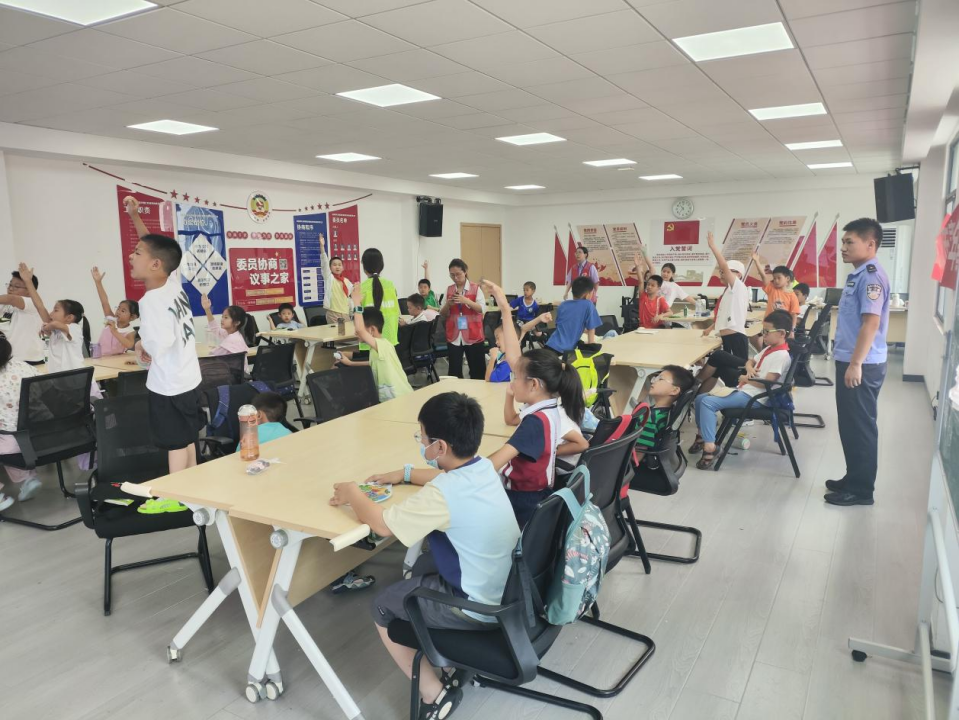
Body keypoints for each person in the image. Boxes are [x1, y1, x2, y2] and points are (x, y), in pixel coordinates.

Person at [332, 392, 519, 720]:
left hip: (477, 606)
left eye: (422, 437)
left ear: (440, 446)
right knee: (420, 566)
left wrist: (353, 493)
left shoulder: (442, 494)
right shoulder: (484, 469)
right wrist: (404, 474)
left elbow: (381, 525)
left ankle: (435, 693)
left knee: (382, 605)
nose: (421, 443)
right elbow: (444, 477)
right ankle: (447, 662)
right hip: (509, 591)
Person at [485, 280, 586, 527]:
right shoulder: (549, 405)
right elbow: (514, 356)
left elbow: (489, 467)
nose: (513, 380)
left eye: (516, 377)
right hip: (537, 495)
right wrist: (505, 310)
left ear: (533, 385)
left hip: (521, 502)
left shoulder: (534, 422)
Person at [125, 196, 202, 474]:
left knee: (175, 444)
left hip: (169, 386)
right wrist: (135, 216)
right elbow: (156, 248)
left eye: (137, 253)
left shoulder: (151, 302)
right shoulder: (172, 283)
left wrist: (139, 344)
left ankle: (176, 491)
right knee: (187, 437)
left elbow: (157, 347)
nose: (131, 256)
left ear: (155, 265)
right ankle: (193, 487)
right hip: (188, 378)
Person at [824, 218, 890, 507]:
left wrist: (856, 364)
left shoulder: (871, 277)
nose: (843, 247)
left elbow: (870, 323)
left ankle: (861, 490)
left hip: (861, 364)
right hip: (851, 359)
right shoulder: (858, 275)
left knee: (860, 426)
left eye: (849, 242)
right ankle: (853, 477)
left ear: (870, 244)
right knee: (850, 425)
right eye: (843, 242)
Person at [690, 310, 793, 469]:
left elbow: (768, 382)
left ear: (781, 333)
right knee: (700, 399)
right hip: (747, 391)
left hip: (757, 398)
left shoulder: (781, 355)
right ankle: (702, 436)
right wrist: (749, 368)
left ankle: (710, 448)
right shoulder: (769, 349)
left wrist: (745, 378)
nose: (763, 335)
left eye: (767, 332)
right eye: (763, 331)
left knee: (707, 403)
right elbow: (751, 361)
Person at [621, 364, 695, 499]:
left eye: (660, 379)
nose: (653, 381)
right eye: (655, 377)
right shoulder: (667, 414)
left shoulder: (649, 418)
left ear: (674, 390)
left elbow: (637, 456)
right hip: (670, 463)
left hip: (638, 468)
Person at [694, 232, 751, 395]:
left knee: (719, 360)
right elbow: (723, 316)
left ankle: (695, 382)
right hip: (729, 338)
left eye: (727, 271)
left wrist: (713, 247)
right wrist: (710, 328)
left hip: (736, 339)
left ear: (738, 275)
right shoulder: (728, 292)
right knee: (717, 368)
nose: (722, 273)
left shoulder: (738, 286)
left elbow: (724, 266)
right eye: (721, 271)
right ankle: (696, 397)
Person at [340, 283, 412, 402]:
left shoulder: (381, 345)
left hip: (399, 399)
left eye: (358, 329)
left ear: (372, 330)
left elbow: (360, 330)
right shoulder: (381, 347)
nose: (356, 332)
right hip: (395, 398)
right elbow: (372, 363)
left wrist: (356, 302)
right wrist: (350, 363)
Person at [17, 264, 90, 373]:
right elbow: (40, 307)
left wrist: (46, 327)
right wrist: (28, 282)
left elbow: (55, 324)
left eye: (56, 310)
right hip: (60, 379)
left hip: (76, 379)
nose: (51, 314)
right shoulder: (55, 331)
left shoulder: (75, 328)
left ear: (69, 318)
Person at [0, 335, 41, 509]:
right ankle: (28, 479)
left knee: (7, 436)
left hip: (13, 443)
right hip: (43, 437)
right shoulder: (23, 366)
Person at [440, 258, 486, 380]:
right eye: (452, 275)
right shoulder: (449, 290)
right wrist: (448, 305)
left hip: (473, 334)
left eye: (458, 274)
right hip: (454, 335)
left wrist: (466, 301)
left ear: (465, 271)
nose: (455, 277)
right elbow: (442, 313)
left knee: (477, 371)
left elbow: (481, 309)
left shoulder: (476, 288)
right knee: (454, 372)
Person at [485, 313, 552, 383]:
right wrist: (539, 318)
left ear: (509, 337)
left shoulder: (508, 363)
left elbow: (488, 379)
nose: (496, 342)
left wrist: (492, 359)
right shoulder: (505, 353)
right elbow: (524, 328)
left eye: (498, 338)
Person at [752, 256, 800, 348]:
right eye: (774, 278)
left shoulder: (792, 295)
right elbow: (763, 276)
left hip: (782, 327)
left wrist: (792, 331)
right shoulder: (772, 289)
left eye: (779, 278)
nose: (776, 281)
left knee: (778, 347)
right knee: (764, 346)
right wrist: (756, 261)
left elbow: (794, 315)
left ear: (787, 278)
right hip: (768, 326)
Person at [546, 276, 602, 354]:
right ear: (588, 294)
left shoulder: (563, 305)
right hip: (564, 351)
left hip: (550, 345)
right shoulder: (588, 305)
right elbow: (591, 329)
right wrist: (591, 346)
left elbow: (562, 325)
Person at [90, 266, 139, 355]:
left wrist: (114, 331)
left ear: (132, 317)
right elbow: (104, 302)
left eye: (123, 311)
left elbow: (129, 344)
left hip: (116, 360)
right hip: (100, 358)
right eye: (118, 308)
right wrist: (98, 283)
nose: (118, 311)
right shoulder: (111, 320)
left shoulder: (130, 331)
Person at [0, 269, 45, 364]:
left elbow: (11, 299)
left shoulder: (33, 303)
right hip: (9, 361)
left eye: (16, 286)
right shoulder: (5, 306)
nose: (10, 288)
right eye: (10, 285)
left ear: (30, 290)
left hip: (30, 360)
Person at [358, 248, 399, 348]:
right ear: (381, 266)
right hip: (390, 339)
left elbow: (357, 314)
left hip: (370, 341)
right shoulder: (391, 285)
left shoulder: (361, 288)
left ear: (364, 267)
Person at [201, 294, 251, 368]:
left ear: (237, 323)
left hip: (233, 374)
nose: (222, 319)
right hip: (236, 373)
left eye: (226, 317)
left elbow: (212, 356)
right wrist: (207, 309)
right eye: (222, 317)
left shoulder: (232, 339)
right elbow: (215, 329)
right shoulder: (233, 334)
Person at [321, 238, 353, 325]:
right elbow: (324, 262)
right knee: (339, 332)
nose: (337, 267)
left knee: (347, 333)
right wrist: (322, 247)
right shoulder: (329, 278)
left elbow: (351, 295)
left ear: (343, 267)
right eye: (334, 265)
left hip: (345, 313)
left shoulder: (346, 281)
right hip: (333, 313)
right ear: (330, 268)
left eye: (339, 265)